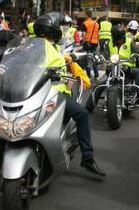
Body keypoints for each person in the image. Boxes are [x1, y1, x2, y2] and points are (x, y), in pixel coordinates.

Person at [37, 13, 105, 176]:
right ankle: (87, 158)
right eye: (60, 27)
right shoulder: (41, 47)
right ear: (54, 30)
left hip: (48, 94)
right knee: (82, 114)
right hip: (47, 94)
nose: (62, 29)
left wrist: (68, 67)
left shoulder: (43, 47)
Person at [96, 24, 139, 105]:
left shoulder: (129, 42)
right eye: (118, 39)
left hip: (128, 68)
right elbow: (104, 54)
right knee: (101, 83)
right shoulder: (109, 43)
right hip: (113, 67)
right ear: (114, 37)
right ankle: (90, 105)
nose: (119, 40)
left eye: (121, 38)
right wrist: (100, 57)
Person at [82, 10, 100, 79]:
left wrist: (82, 41)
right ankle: (96, 76)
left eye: (84, 15)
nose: (84, 16)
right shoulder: (97, 24)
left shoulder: (85, 23)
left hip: (87, 43)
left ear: (87, 15)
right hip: (95, 43)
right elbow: (98, 34)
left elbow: (83, 34)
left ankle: (88, 76)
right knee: (94, 58)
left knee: (88, 60)